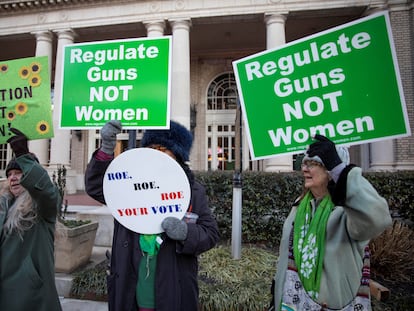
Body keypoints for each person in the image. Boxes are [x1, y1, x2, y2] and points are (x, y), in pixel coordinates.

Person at [85, 120, 219, 311]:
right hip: (129, 290)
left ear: (178, 155)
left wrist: (186, 233)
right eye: (152, 148)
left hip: (173, 292)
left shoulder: (192, 190)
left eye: (163, 149)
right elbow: (97, 188)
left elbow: (210, 233)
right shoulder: (130, 183)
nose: (156, 154)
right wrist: (106, 150)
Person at [271, 134, 392, 311]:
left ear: (330, 171)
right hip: (292, 304)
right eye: (304, 163)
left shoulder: (348, 211)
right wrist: (277, 292)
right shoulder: (300, 206)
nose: (304, 169)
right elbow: (286, 258)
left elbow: (377, 218)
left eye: (312, 164)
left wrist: (341, 171)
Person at [0, 128, 62, 310]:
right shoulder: (3, 205)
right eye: (10, 174)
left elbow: (47, 192)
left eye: (18, 172)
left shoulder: (42, 209)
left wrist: (22, 154)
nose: (13, 178)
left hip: (30, 296)